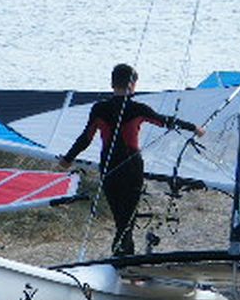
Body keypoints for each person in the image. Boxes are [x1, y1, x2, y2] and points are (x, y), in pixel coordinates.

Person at [59, 64, 205, 256]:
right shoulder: (138, 109)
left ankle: (122, 257)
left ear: (112, 83)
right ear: (133, 84)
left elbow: (85, 138)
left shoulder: (99, 108)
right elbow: (165, 121)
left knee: (121, 218)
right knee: (127, 220)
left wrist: (68, 159)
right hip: (131, 167)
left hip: (109, 166)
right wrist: (194, 127)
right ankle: (123, 259)